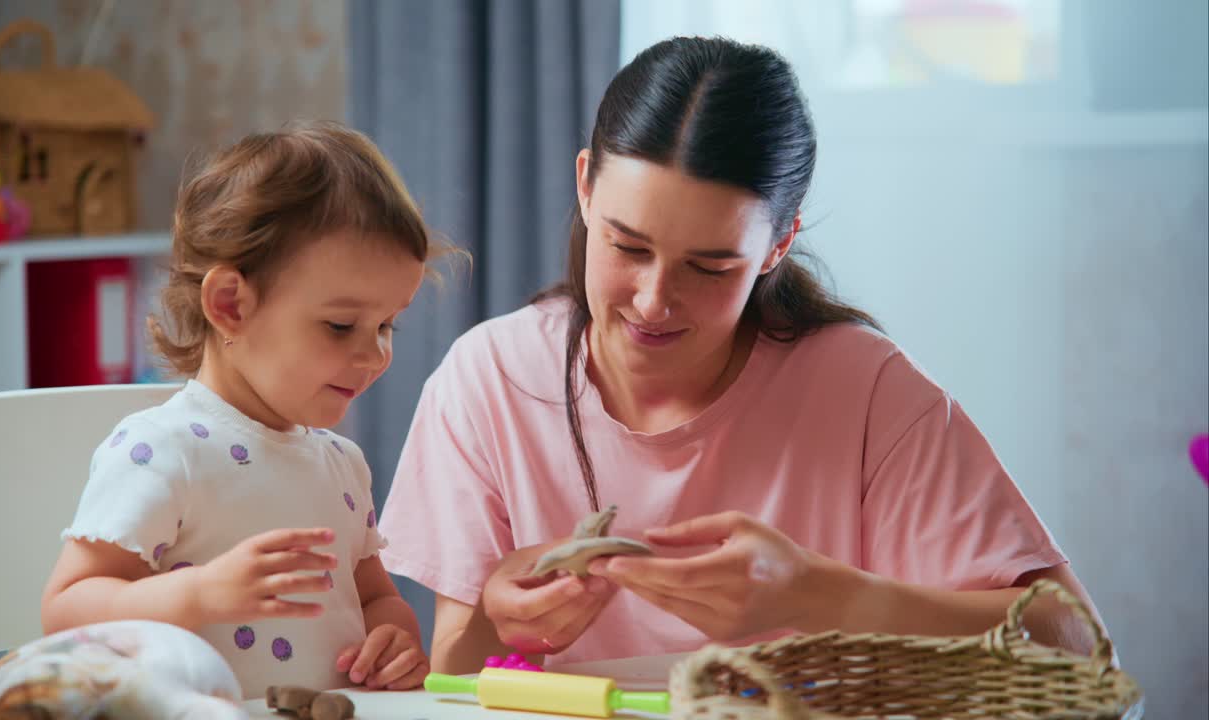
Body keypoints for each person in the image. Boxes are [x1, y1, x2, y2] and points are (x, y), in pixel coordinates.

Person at [378, 37, 1106, 673]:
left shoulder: (864, 389)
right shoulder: (490, 380)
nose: (654, 300)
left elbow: (1076, 643)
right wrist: (507, 622)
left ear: (778, 245)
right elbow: (456, 672)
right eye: (627, 246)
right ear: (584, 186)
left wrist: (823, 596)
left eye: (709, 267)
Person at [41, 123, 440, 697]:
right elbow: (67, 611)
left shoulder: (341, 464)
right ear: (230, 304)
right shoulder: (162, 449)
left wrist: (392, 634)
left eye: (386, 325)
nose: (376, 352)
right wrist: (199, 595)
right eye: (341, 325)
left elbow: (374, 597)